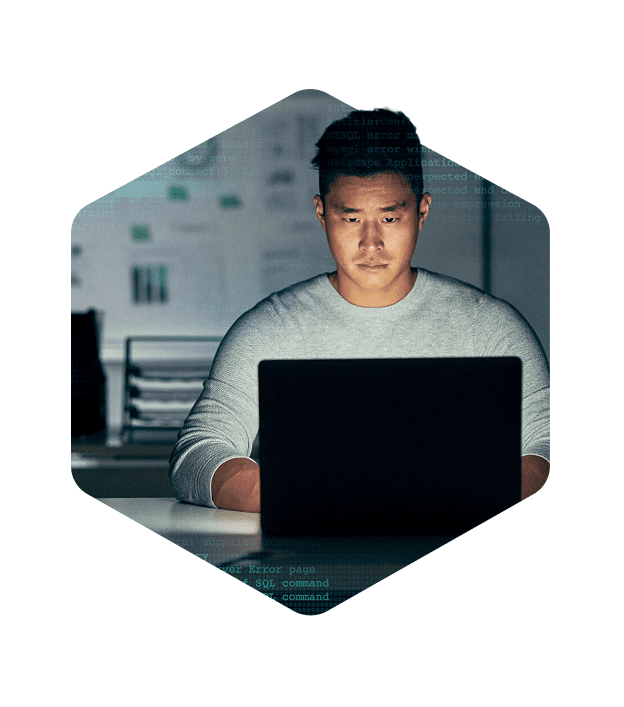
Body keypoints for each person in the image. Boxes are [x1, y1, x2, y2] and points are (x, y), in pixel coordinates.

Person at [169, 109, 550, 512]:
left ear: (421, 213)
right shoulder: (269, 330)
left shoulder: (490, 327)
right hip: (310, 554)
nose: (371, 243)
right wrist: (300, 496)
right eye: (351, 218)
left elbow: (549, 444)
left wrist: (471, 498)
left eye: (390, 217)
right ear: (322, 214)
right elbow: (197, 453)